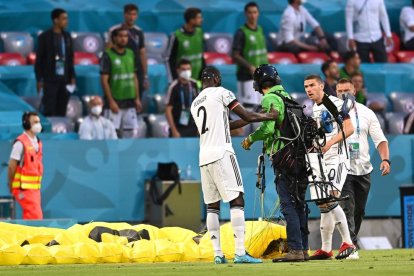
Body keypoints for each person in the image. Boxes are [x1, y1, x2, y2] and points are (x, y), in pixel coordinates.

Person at [190, 66, 278, 264]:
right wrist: (267, 116)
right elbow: (246, 115)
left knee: (212, 207)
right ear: (216, 78)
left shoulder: (195, 103)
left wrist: (250, 119)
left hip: (204, 157)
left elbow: (225, 125)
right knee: (237, 199)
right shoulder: (222, 92)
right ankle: (240, 252)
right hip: (222, 153)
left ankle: (218, 254)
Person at [241, 64, 310, 262]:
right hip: (300, 157)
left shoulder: (269, 98)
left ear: (259, 82)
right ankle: (304, 249)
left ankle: (295, 250)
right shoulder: (289, 98)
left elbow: (268, 129)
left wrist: (250, 139)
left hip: (284, 157)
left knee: (288, 204)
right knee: (300, 204)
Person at [336, 78, 390, 259]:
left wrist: (385, 160)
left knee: (359, 210)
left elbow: (380, 139)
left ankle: (350, 241)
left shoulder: (367, 113)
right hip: (342, 168)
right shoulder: (331, 112)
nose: (343, 94)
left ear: (355, 90)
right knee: (347, 208)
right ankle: (350, 246)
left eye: (347, 90)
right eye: (340, 91)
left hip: (363, 169)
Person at [304, 74, 356, 260]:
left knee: (330, 197)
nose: (308, 89)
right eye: (306, 87)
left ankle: (348, 242)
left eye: (312, 85)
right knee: (323, 203)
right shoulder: (314, 108)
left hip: (338, 158)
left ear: (321, 86)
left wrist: (330, 143)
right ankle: (326, 248)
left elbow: (349, 128)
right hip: (322, 159)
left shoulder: (334, 103)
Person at [100, 27, 142, 138]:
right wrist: (111, 101)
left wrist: (137, 98)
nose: (123, 39)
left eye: (126, 36)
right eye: (120, 36)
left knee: (131, 134)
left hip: (129, 101)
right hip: (115, 102)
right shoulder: (107, 55)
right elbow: (104, 81)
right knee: (111, 135)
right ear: (114, 38)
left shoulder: (130, 54)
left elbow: (134, 77)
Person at [34, 8, 75, 116]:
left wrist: (72, 77)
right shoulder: (44, 37)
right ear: (56, 20)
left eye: (67, 18)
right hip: (50, 79)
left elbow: (70, 58)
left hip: (64, 79)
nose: (67, 21)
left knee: (62, 109)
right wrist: (39, 79)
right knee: (49, 110)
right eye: (64, 19)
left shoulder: (67, 37)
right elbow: (39, 60)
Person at [107, 3, 148, 100]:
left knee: (137, 99)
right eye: (129, 14)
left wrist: (145, 76)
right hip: (119, 71)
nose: (131, 17)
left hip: (136, 71)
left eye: (134, 14)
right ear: (124, 15)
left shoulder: (139, 32)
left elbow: (142, 54)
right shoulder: (114, 30)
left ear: (137, 16)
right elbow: (108, 52)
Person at [232, 2, 268, 109]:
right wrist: (249, 67)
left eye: (255, 12)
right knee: (248, 108)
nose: (253, 15)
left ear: (258, 14)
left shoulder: (260, 29)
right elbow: (235, 55)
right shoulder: (241, 32)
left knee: (261, 107)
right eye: (250, 13)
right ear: (245, 14)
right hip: (246, 76)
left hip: (261, 76)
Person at [8, 112, 44, 219]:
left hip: (35, 188)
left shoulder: (38, 142)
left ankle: (26, 236)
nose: (38, 124)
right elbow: (11, 166)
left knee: (31, 217)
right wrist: (11, 185)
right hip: (22, 188)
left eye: (39, 122)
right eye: (35, 122)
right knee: (35, 217)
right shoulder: (20, 143)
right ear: (27, 124)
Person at [166, 7, 205, 82]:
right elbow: (168, 59)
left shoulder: (200, 32)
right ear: (191, 20)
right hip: (182, 81)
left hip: (198, 81)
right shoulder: (176, 36)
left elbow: (201, 56)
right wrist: (172, 80)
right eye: (199, 17)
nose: (201, 20)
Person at [165, 59, 199, 137]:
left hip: (193, 126)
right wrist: (173, 130)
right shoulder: (173, 87)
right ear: (178, 71)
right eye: (183, 69)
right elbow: (168, 110)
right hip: (178, 127)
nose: (186, 71)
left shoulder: (195, 84)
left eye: (188, 69)